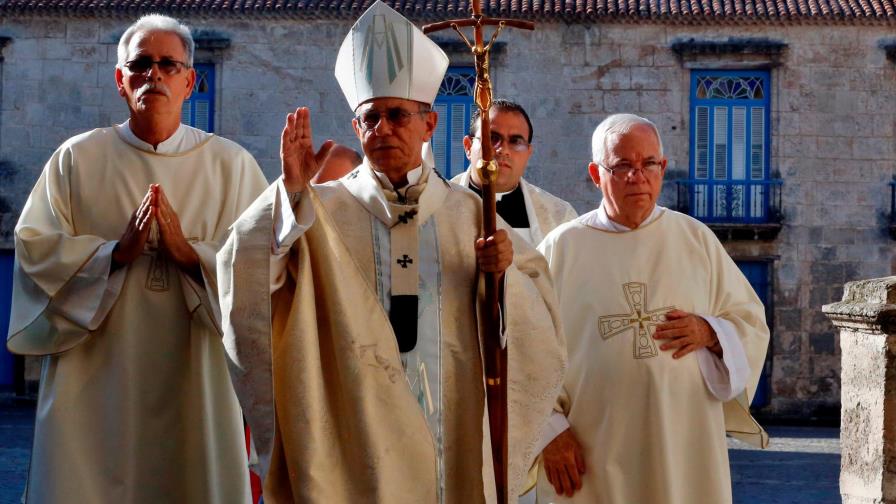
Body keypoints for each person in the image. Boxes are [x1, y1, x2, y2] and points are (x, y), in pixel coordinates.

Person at [217, 2, 566, 502]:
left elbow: (537, 323)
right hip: (356, 427)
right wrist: (290, 195)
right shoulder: (319, 213)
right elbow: (244, 273)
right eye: (369, 118)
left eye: (397, 115)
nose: (382, 129)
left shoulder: (468, 214)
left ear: (429, 124)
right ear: (357, 129)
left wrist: (503, 275)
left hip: (454, 421)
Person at [6, 14, 267, 503]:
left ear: (191, 80)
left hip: (195, 372)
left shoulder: (232, 166)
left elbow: (263, 268)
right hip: (94, 379)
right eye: (141, 64)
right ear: (119, 80)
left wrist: (192, 257)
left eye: (169, 65)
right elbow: (34, 249)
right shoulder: (76, 159)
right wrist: (113, 255)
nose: (155, 75)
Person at [535, 114, 769, 504]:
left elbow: (750, 324)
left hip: (682, 450)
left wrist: (711, 332)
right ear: (596, 173)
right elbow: (524, 353)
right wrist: (549, 432)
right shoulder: (561, 249)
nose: (636, 176)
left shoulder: (696, 240)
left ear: (662, 167)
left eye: (649, 164)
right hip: (590, 451)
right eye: (622, 165)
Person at [452, 99, 577, 245]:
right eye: (492, 138)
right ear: (468, 146)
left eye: (515, 141)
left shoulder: (560, 217)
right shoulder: (436, 205)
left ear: (528, 153)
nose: (503, 150)